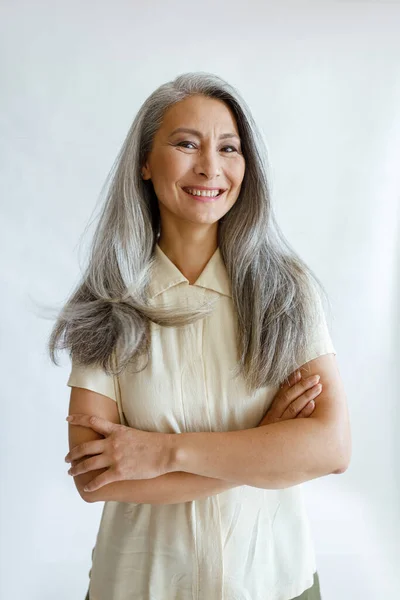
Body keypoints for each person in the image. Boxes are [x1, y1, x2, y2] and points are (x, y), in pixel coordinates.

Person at [49, 72, 351, 600]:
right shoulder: (105, 305)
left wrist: (164, 454)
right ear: (145, 162)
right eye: (187, 143)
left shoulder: (287, 291)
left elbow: (331, 447)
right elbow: (98, 480)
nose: (210, 166)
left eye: (229, 148)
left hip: (275, 584)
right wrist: (264, 448)